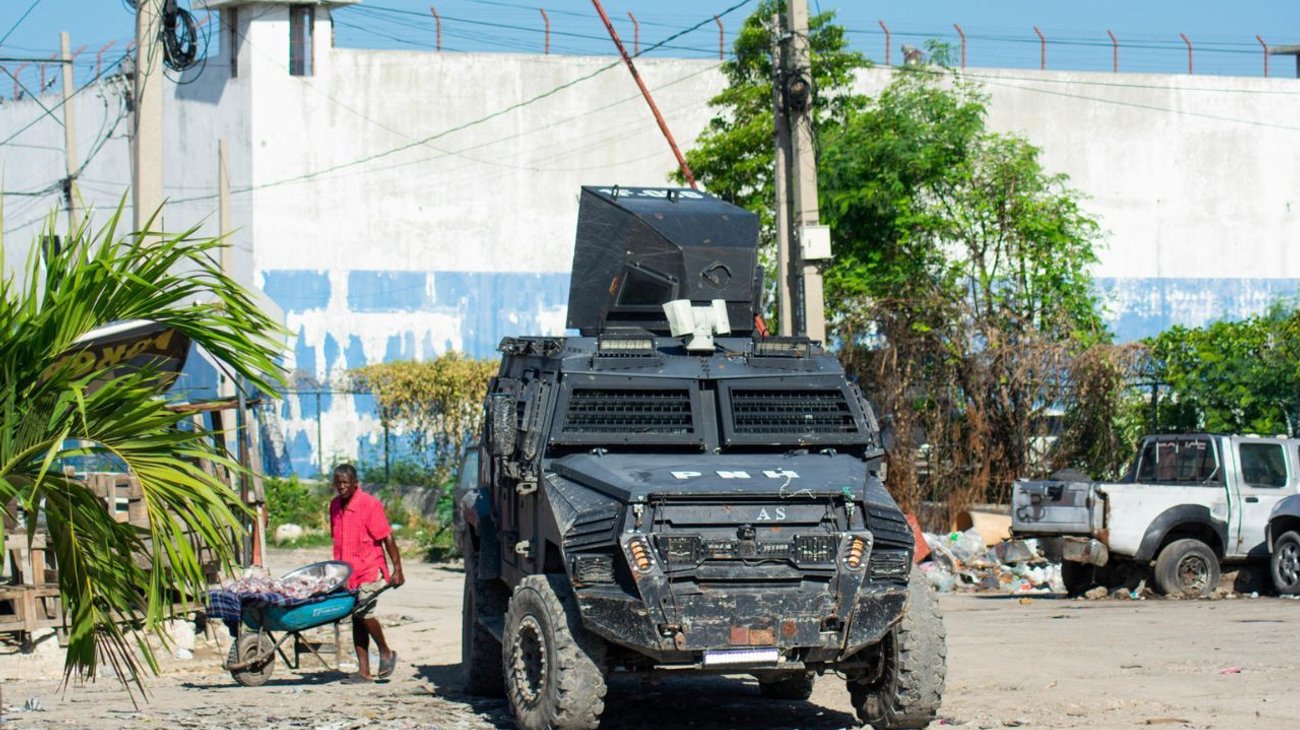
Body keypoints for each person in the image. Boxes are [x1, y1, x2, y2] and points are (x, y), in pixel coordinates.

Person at [329, 463, 405, 683]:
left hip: (369, 568)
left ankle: (385, 651)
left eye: (345, 483)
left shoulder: (369, 505)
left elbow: (387, 537)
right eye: (338, 483)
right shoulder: (334, 506)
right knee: (356, 618)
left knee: (364, 613)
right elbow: (337, 541)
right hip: (348, 573)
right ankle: (363, 671)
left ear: (355, 484)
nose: (341, 487)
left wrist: (397, 569)